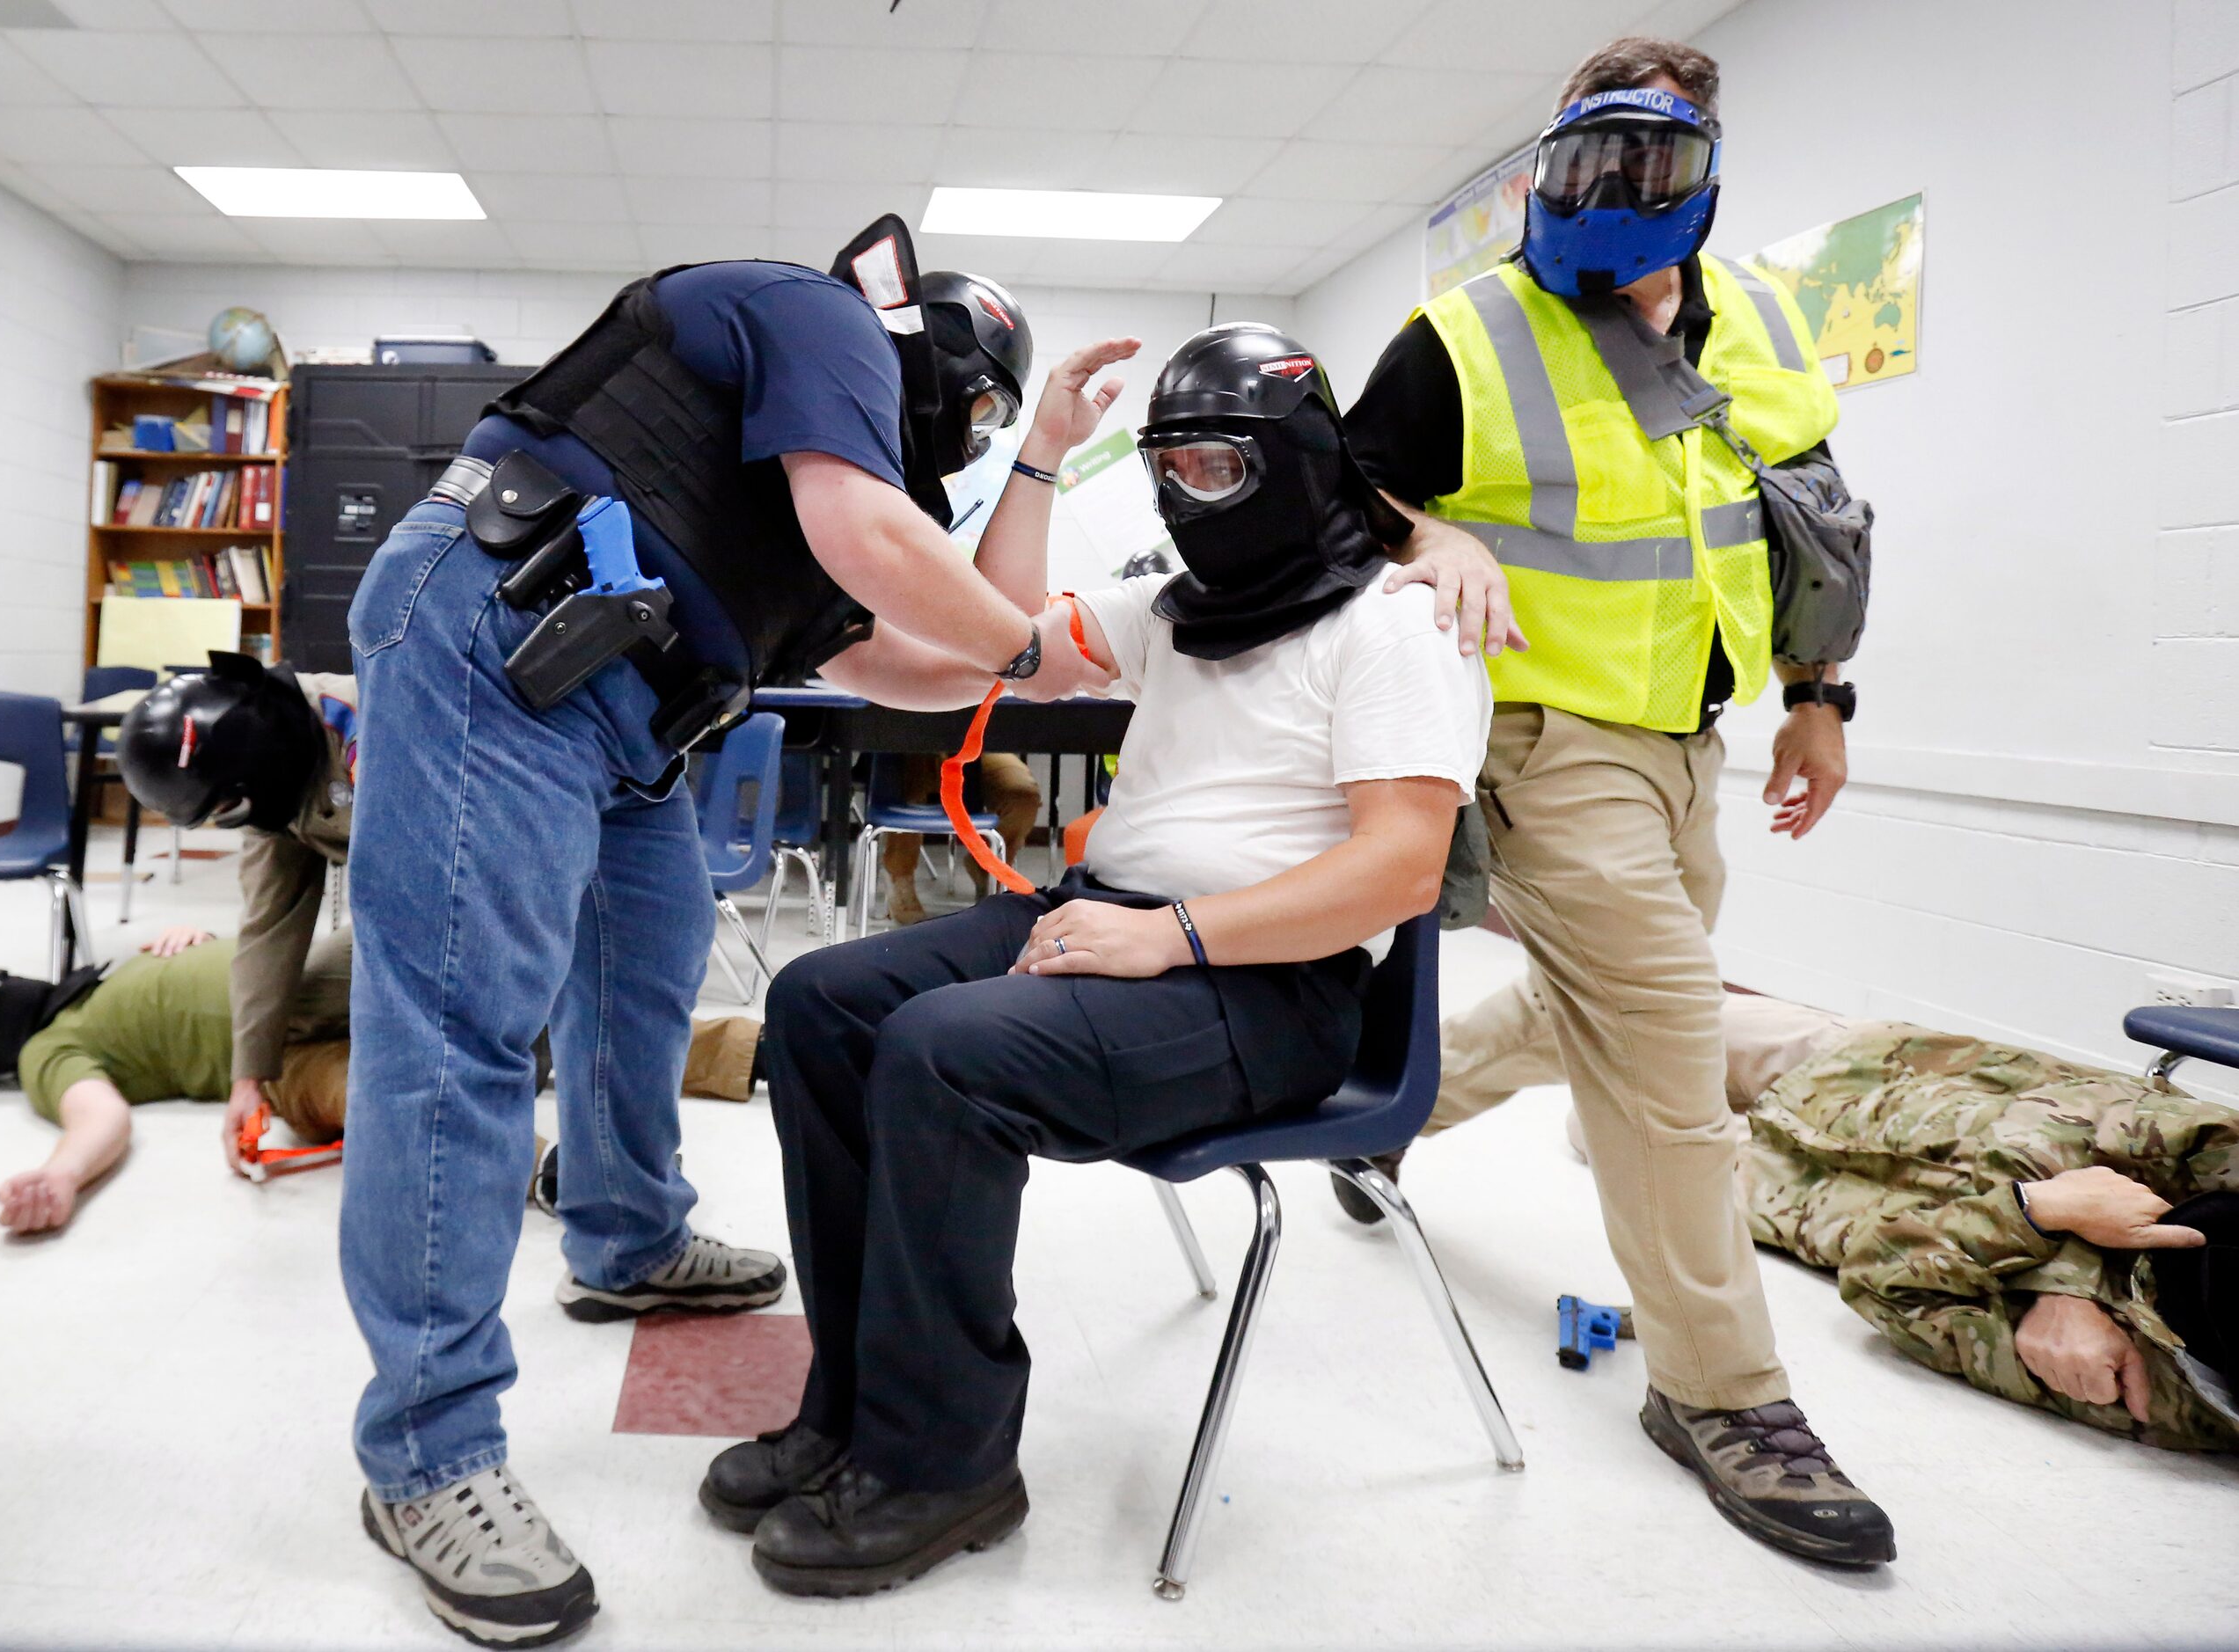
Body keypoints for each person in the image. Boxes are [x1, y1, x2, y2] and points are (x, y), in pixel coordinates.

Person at [336, 209, 1127, 1646]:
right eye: (985, 411)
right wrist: (1028, 649)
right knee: (457, 1027)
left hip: (638, 702)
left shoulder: (827, 479)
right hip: (488, 625)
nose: (965, 436)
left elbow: (933, 653)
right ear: (925, 359)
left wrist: (1040, 470)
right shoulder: (814, 316)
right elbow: (926, 583)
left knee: (641, 982)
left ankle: (626, 1237)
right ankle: (423, 1455)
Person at [698, 323, 1488, 1599]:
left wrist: (1168, 936)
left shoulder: (1397, 623)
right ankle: (851, 1410)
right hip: (1117, 919)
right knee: (820, 1001)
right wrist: (1046, 451)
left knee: (945, 1055)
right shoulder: (1177, 613)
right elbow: (994, 637)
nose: (1186, 498)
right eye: (1167, 467)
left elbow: (1399, 870)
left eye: (1217, 469)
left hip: (1266, 984)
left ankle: (946, 1462)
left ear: (1293, 461)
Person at [1343, 35, 1889, 1565]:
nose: (1617, 191)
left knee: (1600, 1006)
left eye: (1653, 164)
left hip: (1689, 739)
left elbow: (1811, 512)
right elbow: (1337, 486)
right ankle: (1723, 1396)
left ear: (1695, 177)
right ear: (1557, 163)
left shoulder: (1756, 315)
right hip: (1545, 742)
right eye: (1595, 159)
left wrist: (1816, 695)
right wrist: (1422, 540)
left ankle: (1378, 1119)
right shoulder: (1463, 334)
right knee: (1665, 1061)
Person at [1423, 987, 2239, 1451]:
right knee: (1582, 1004)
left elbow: (1888, 1285)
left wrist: (2036, 1213)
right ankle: (1395, 1118)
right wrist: (2062, 1274)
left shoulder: (2155, 1396)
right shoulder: (2222, 1153)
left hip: (1801, 1198)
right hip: (1876, 1070)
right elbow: (2056, 1120)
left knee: (1592, 1127)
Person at [0, 925, 350, 1236]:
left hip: (290, 977)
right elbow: (100, 1117)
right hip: (274, 1063)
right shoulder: (44, 1053)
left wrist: (196, 937)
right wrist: (62, 1174)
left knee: (395, 935)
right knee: (386, 1095)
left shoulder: (99, 982)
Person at [115, 651, 361, 1175]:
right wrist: (247, 1081)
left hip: (510, 893)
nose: (234, 818)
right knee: (276, 1028)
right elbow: (267, 927)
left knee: (419, 1021)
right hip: (415, 919)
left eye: (227, 807)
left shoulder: (368, 725)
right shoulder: (277, 770)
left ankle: (535, 1148)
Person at [876, 751, 1042, 925]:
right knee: (912, 754)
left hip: (980, 747)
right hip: (920, 750)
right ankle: (899, 873)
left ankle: (985, 866)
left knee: (1023, 795)